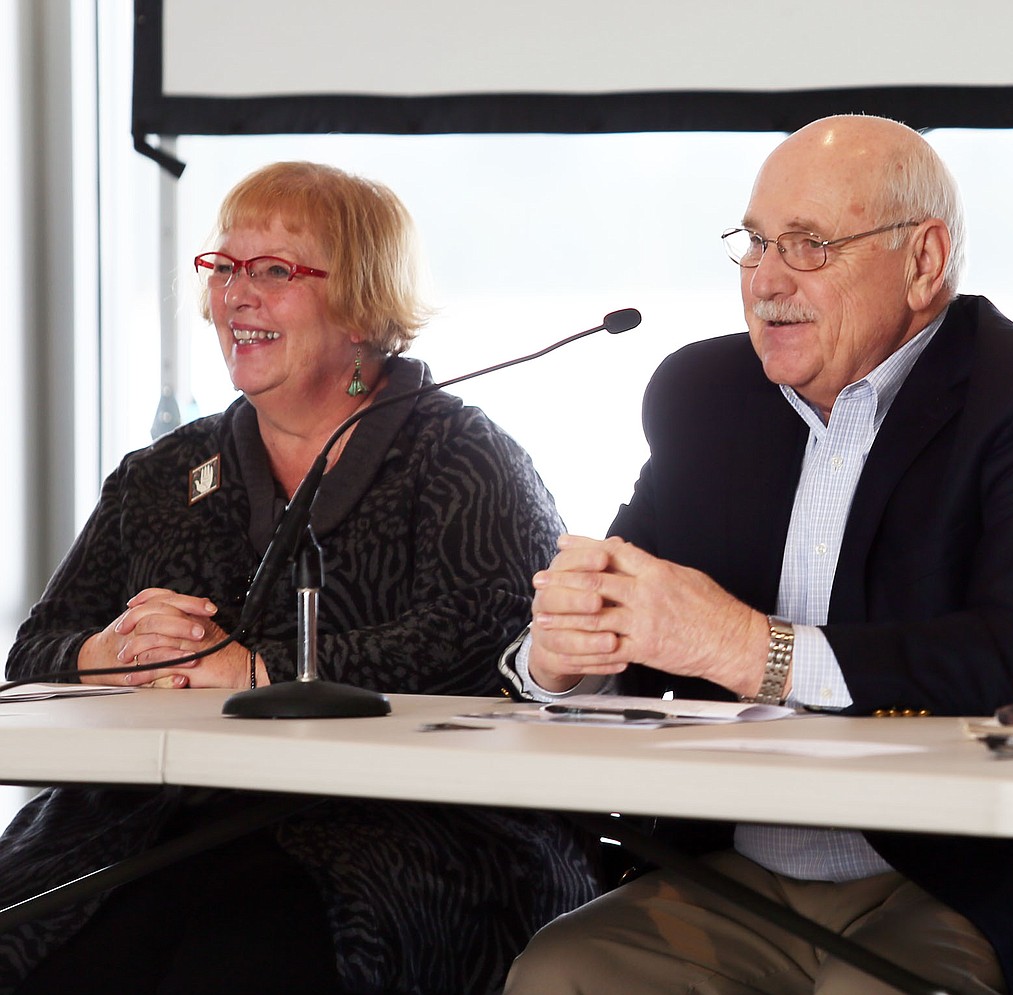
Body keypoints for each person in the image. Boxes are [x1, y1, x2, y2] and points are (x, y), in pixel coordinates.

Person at [501, 115, 1013, 995]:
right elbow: (630, 602)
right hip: (733, 873)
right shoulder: (705, 393)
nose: (766, 280)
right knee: (562, 970)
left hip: (970, 878)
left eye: (809, 246)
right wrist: (565, 659)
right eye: (755, 243)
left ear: (924, 261)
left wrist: (749, 648)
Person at [0, 161, 599, 994]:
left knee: (237, 958)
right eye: (225, 268)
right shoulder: (162, 472)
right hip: (151, 821)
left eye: (275, 271)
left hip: (402, 827)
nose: (237, 295)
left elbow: (494, 645)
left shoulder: (462, 456)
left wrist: (256, 671)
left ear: (361, 304)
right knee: (51, 941)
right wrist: (108, 652)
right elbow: (33, 654)